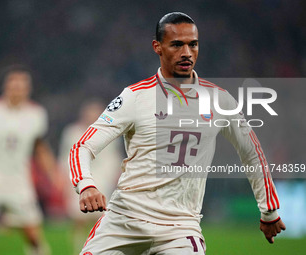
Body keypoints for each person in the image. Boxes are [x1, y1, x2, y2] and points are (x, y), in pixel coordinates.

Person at [69, 12, 286, 255]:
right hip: (125, 220)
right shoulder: (135, 97)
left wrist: (269, 211)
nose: (186, 52)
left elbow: (251, 153)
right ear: (157, 47)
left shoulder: (220, 100)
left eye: (193, 44)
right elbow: (82, 146)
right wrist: (86, 185)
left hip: (180, 228)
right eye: (176, 44)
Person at [0, 65, 57, 255]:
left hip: (18, 179)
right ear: (5, 87)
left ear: (27, 89)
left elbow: (39, 146)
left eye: (21, 86)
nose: (16, 90)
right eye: (13, 85)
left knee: (33, 235)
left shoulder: (36, 114)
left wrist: (53, 173)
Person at [58, 99, 121, 253]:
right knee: (78, 219)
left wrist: (117, 174)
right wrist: (61, 175)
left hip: (102, 178)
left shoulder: (110, 131)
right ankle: (78, 248)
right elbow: (65, 155)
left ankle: (99, 250)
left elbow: (114, 156)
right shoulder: (72, 132)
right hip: (79, 178)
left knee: (101, 219)